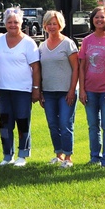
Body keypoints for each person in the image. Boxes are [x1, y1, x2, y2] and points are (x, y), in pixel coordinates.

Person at [0, 7, 41, 166]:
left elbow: (36, 68)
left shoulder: (28, 43)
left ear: (21, 23)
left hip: (23, 91)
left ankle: (22, 155)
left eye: (16, 22)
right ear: (5, 23)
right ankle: (7, 155)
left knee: (23, 122)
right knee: (5, 123)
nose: (12, 25)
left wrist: (36, 89)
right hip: (4, 90)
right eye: (9, 22)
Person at [78, 5, 105, 167]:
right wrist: (81, 89)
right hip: (89, 91)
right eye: (96, 17)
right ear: (92, 20)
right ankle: (95, 157)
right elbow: (81, 67)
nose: (99, 20)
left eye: (102, 17)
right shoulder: (87, 41)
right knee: (93, 125)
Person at [37, 10, 79, 168]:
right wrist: (40, 91)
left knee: (65, 123)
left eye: (55, 23)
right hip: (48, 92)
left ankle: (68, 157)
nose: (52, 26)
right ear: (45, 26)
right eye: (49, 23)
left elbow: (76, 68)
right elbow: (39, 70)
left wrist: (71, 90)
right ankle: (58, 154)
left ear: (60, 25)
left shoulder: (68, 43)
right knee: (53, 124)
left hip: (66, 92)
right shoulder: (41, 46)